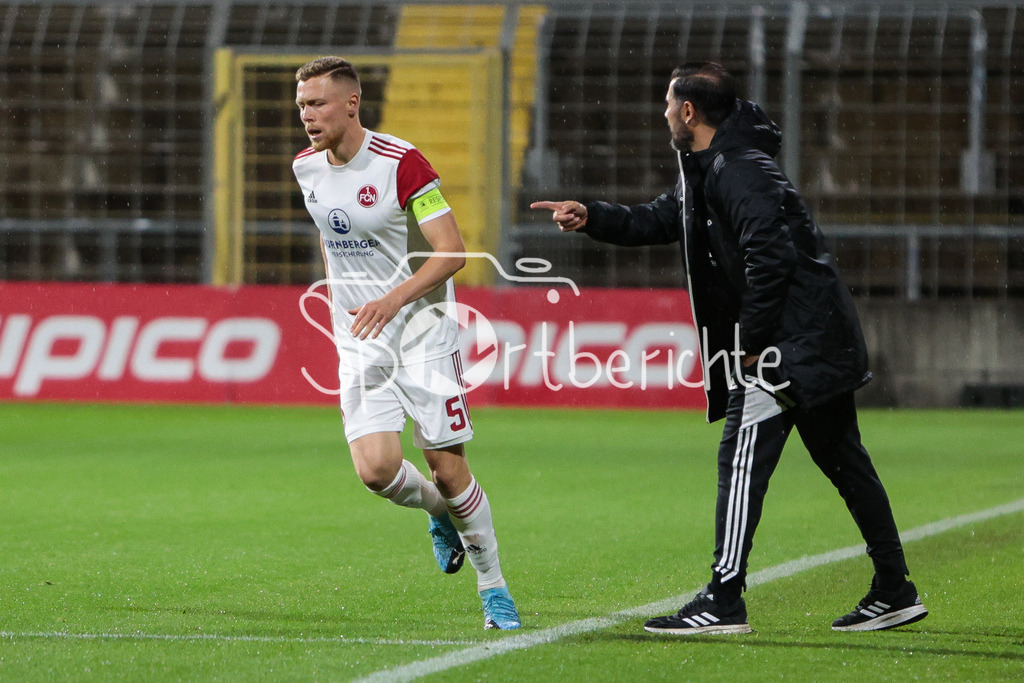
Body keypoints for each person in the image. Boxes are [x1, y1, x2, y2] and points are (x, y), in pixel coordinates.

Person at [531, 61, 926, 635]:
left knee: (740, 462)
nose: (664, 113)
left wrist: (751, 344)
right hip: (814, 338)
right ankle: (894, 587)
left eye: (669, 104)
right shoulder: (716, 165)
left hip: (789, 346)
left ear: (689, 112)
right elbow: (663, 218)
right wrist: (593, 216)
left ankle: (723, 598)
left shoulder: (738, 169)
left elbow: (771, 257)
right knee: (845, 463)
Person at [292, 56, 520, 630]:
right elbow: (330, 237)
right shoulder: (305, 168)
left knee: (447, 469)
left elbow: (452, 252)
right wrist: (341, 299)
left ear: (351, 103)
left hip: (422, 334)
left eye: (317, 104)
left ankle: (493, 588)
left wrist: (391, 299)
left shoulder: (401, 163)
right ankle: (441, 516)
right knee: (376, 471)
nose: (307, 116)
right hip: (361, 338)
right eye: (301, 105)